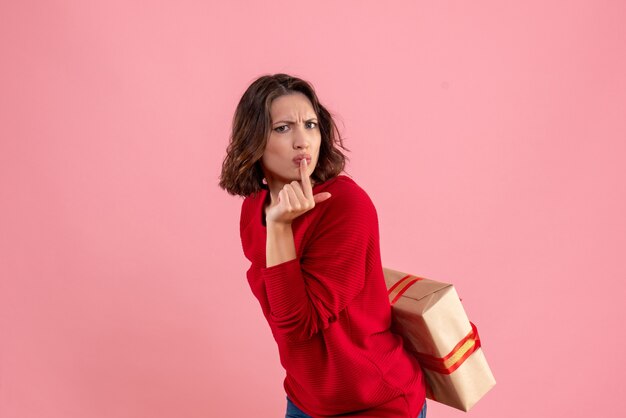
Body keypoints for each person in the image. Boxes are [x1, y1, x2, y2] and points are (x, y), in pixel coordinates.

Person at [219, 73, 427, 418]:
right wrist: (276, 223)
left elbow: (299, 325)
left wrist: (281, 228)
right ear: (253, 139)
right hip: (306, 399)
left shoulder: (346, 205)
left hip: (375, 401)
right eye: (283, 128)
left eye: (311, 124)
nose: (303, 141)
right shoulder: (254, 207)